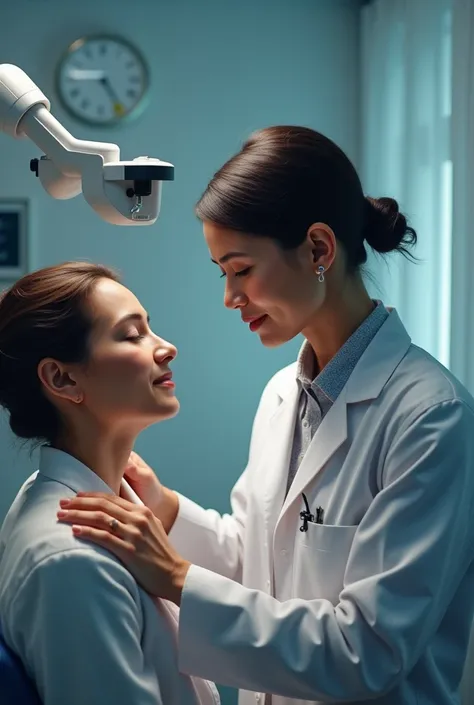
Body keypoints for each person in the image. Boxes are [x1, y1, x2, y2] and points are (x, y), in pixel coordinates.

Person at [57, 126, 474, 705]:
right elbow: (261, 562)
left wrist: (176, 579)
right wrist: (167, 509)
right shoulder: (284, 393)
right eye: (221, 272)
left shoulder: (431, 416)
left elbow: (368, 650)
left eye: (241, 269)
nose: (230, 296)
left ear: (319, 249)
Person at [0, 262, 220, 705]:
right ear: (62, 378)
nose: (167, 348)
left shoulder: (93, 501)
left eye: (150, 329)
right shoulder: (71, 560)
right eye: (132, 334)